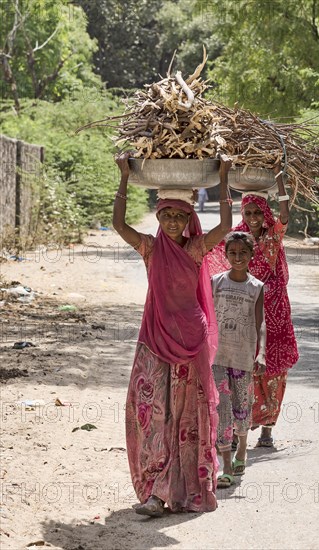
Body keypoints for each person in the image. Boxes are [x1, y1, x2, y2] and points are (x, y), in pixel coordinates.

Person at [113, 152, 232, 517]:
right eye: (167, 215)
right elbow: (118, 225)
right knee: (151, 413)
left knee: (189, 417)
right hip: (155, 337)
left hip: (191, 339)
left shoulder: (196, 249)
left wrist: (224, 175)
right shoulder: (149, 248)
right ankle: (154, 491)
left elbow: (226, 226)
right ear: (159, 216)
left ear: (190, 219)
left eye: (181, 216)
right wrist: (122, 177)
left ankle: (188, 488)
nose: (174, 222)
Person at [208, 164, 299, 448]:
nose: (254, 218)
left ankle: (267, 431)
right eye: (248, 213)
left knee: (272, 370)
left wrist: (280, 180)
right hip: (244, 309)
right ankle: (238, 430)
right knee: (241, 367)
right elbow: (213, 252)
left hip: (275, 312)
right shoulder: (236, 237)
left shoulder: (273, 235)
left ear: (265, 213)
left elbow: (285, 215)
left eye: (258, 212)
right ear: (242, 214)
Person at [211, 232, 266, 488]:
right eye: (232, 253)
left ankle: (242, 446)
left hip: (243, 356)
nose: (237, 257)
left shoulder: (256, 287)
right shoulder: (215, 283)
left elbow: (260, 323)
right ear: (226, 255)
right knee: (222, 408)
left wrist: (262, 353)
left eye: (243, 253)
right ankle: (227, 465)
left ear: (251, 255)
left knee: (241, 407)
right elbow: (207, 317)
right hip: (217, 356)